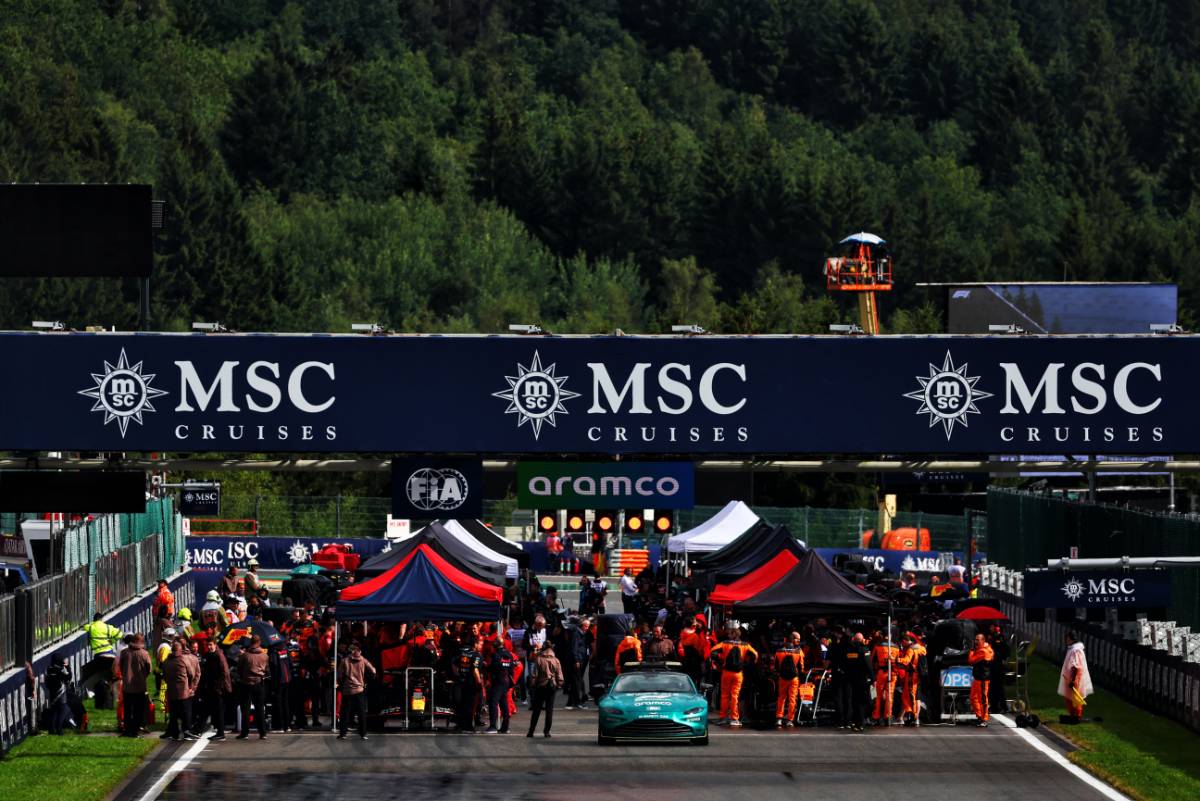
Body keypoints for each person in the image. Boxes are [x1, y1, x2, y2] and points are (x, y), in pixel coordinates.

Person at [709, 622, 758, 727]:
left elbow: (712, 651)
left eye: (729, 634)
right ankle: (734, 718)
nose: (728, 635)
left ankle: (723, 717)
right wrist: (746, 663)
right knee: (735, 695)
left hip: (726, 672)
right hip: (738, 674)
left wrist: (720, 661)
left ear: (732, 634)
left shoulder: (725, 643)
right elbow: (755, 655)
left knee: (724, 695)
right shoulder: (745, 645)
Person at [82, 613, 122, 709]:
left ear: (94, 620)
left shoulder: (91, 627)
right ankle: (111, 700)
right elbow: (120, 634)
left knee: (99, 678)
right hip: (110, 655)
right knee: (111, 678)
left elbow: (84, 627)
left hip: (99, 656)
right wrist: (112, 641)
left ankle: (100, 700)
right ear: (101, 619)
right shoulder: (107, 627)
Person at [337, 643, 376, 740]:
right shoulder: (363, 660)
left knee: (345, 712)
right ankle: (363, 734)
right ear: (359, 651)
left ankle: (343, 734)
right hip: (359, 690)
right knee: (361, 712)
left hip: (347, 690)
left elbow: (339, 676)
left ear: (350, 651)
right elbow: (373, 671)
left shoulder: (344, 661)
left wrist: (342, 684)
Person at [196, 637, 232, 740]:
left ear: (215, 645)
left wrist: (219, 687)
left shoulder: (219, 656)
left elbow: (225, 672)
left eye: (211, 645)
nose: (209, 647)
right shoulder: (209, 655)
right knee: (207, 709)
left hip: (218, 688)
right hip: (210, 687)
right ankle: (199, 730)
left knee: (217, 710)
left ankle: (220, 733)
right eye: (207, 645)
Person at [163, 640, 200, 741]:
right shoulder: (183, 660)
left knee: (174, 714)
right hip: (183, 691)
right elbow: (191, 674)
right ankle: (187, 731)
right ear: (180, 650)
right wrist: (191, 686)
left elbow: (164, 676)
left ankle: (175, 733)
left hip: (171, 691)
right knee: (186, 713)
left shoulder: (167, 661)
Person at [237, 634, 271, 739]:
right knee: (260, 708)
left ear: (250, 642)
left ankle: (245, 733)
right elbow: (267, 670)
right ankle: (263, 733)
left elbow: (239, 670)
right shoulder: (265, 656)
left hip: (246, 683)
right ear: (259, 642)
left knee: (245, 709)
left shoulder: (245, 655)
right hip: (259, 683)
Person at [118, 634, 153, 737]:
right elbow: (149, 669)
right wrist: (143, 676)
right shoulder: (144, 653)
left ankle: (127, 730)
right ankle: (135, 731)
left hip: (127, 686)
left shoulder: (124, 652)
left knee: (128, 710)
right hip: (140, 686)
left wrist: (126, 675)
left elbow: (121, 666)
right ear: (141, 642)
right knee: (138, 710)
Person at [527, 642, 563, 738]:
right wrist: (559, 684)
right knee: (549, 710)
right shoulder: (556, 660)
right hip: (552, 686)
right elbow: (560, 675)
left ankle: (531, 731)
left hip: (541, 686)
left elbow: (534, 675)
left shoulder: (539, 659)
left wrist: (532, 684)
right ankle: (547, 731)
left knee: (536, 710)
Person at [1058, 631, 1093, 722]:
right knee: (1069, 697)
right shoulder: (1073, 649)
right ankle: (1073, 715)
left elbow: (1076, 666)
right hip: (1070, 678)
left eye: (1067, 638)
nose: (1066, 640)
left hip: (1074, 679)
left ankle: (1077, 716)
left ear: (1071, 639)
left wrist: (1073, 680)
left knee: (1075, 698)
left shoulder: (1075, 650)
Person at [485, 637, 516, 733]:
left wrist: (486, 667)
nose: (493, 643)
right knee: (504, 703)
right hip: (506, 680)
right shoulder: (509, 654)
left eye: (494, 642)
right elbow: (512, 669)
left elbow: (494, 668)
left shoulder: (496, 654)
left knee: (493, 702)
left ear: (497, 644)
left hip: (498, 680)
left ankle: (493, 727)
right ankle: (505, 727)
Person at [774, 632, 805, 728]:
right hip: (794, 678)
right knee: (792, 699)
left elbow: (776, 666)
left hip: (782, 678)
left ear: (785, 640)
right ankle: (790, 720)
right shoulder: (798, 652)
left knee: (781, 698)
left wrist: (779, 673)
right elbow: (801, 667)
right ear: (793, 640)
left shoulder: (779, 651)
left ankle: (779, 718)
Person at [453, 637, 483, 733]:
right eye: (480, 644)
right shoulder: (477, 655)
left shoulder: (462, 653)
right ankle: (468, 727)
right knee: (470, 705)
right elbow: (475, 669)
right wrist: (479, 682)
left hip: (462, 681)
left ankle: (461, 725)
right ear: (475, 644)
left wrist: (457, 674)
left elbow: (454, 663)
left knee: (462, 704)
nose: (481, 646)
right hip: (471, 682)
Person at [871, 632, 900, 725]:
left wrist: (873, 674)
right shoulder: (896, 647)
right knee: (889, 696)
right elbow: (898, 661)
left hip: (881, 672)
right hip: (892, 673)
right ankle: (888, 717)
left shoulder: (878, 646)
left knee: (879, 695)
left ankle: (876, 716)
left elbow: (872, 660)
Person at [897, 632, 927, 724]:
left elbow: (906, 661)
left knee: (910, 696)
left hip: (911, 675)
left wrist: (896, 659)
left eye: (902, 643)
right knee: (917, 697)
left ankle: (914, 717)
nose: (902, 645)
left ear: (904, 641)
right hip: (920, 675)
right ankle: (915, 718)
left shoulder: (911, 649)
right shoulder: (922, 648)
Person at [968, 633, 994, 727]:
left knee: (982, 699)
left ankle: (984, 719)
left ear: (983, 640)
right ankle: (979, 717)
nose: (975, 642)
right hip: (978, 678)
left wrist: (972, 650)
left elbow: (971, 660)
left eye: (977, 640)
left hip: (983, 679)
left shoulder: (983, 651)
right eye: (975, 639)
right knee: (973, 698)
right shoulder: (986, 649)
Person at [45, 652, 72, 735]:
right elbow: (68, 677)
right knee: (63, 709)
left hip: (52, 694)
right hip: (60, 693)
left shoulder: (50, 669)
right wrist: (67, 667)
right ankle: (59, 728)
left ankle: (51, 730)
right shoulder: (60, 669)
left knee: (54, 711)